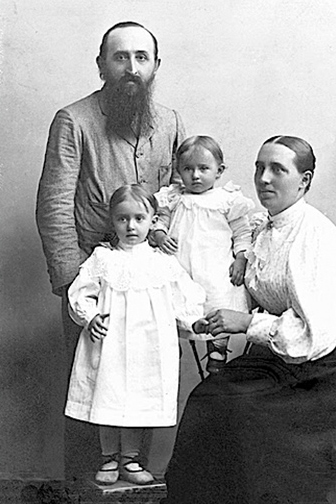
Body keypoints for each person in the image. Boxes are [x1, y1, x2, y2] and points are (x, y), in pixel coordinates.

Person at [165, 136, 336, 503]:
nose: (264, 179)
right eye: (259, 168)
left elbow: (315, 336)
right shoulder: (262, 229)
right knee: (209, 399)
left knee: (245, 415)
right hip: (282, 360)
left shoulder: (319, 240)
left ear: (304, 180)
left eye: (278, 169)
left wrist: (246, 324)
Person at [35, 21, 186, 477]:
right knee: (90, 386)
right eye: (121, 57)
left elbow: (182, 196)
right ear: (102, 64)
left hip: (149, 285)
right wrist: (75, 287)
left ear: (156, 66)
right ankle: (82, 487)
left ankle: (138, 478)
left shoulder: (172, 122)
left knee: (145, 381)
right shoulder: (74, 120)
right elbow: (54, 205)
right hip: (95, 283)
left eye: (142, 58)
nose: (131, 68)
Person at [66, 185, 205, 485]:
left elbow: (186, 298)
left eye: (139, 218)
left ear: (153, 220)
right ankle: (108, 459)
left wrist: (193, 323)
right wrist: (90, 317)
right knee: (109, 394)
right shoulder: (103, 258)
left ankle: (130, 459)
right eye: (122, 219)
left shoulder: (163, 262)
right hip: (111, 341)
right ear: (112, 220)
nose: (131, 226)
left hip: (149, 344)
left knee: (137, 401)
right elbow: (80, 292)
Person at [152, 136, 257, 373]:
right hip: (181, 265)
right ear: (179, 171)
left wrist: (241, 258)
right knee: (176, 298)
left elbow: (242, 233)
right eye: (188, 169)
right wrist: (160, 235)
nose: (196, 175)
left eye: (203, 169)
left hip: (214, 266)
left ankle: (218, 350)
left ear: (218, 171)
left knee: (219, 297)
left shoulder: (227, 200)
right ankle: (170, 342)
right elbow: (159, 221)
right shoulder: (174, 197)